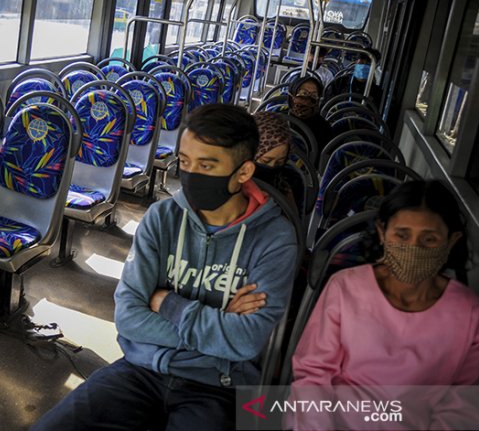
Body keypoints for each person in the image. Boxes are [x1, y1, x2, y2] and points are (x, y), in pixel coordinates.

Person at [32, 104, 298, 431]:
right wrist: (219, 325)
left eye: (207, 165)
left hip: (218, 385)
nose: (191, 175)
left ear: (243, 172)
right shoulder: (163, 219)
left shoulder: (275, 238)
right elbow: (129, 318)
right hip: (143, 368)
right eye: (185, 162)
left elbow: (245, 342)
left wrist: (166, 303)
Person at [290, 180, 479, 430]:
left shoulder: (474, 316)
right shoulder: (346, 288)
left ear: (451, 241)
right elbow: (314, 375)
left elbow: (465, 408)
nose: (413, 249)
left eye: (429, 239)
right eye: (402, 235)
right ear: (383, 232)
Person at [252, 111, 297, 213]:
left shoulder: (288, 183)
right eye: (265, 161)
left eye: (279, 162)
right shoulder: (233, 180)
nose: (272, 167)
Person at [287, 76, 334, 152]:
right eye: (303, 93)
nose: (308, 99)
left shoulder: (324, 128)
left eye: (314, 95)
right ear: (292, 95)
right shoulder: (278, 119)